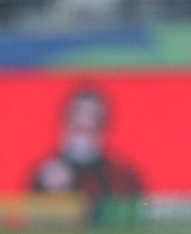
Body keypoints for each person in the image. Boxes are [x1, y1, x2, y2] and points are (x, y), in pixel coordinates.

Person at [29, 87, 143, 219]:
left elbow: (134, 214)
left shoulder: (121, 174)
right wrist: (49, 192)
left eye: (92, 117)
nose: (84, 122)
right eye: (77, 115)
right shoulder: (45, 173)